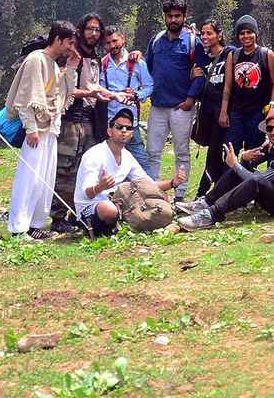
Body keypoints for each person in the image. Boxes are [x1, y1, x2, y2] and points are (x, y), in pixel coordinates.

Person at [174, 106, 274, 230]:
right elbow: (251, 166)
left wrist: (235, 165)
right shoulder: (273, 145)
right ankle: (205, 203)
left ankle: (210, 215)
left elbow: (258, 182)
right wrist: (244, 158)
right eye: (270, 128)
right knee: (241, 168)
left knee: (251, 177)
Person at [5, 21, 80, 240]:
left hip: (50, 128)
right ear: (57, 39)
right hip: (37, 128)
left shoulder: (55, 64)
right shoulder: (36, 59)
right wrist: (31, 128)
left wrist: (73, 67)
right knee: (29, 178)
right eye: (69, 43)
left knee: (44, 179)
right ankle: (19, 227)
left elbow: (65, 94)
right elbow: (28, 97)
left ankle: (35, 224)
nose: (70, 48)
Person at [74, 108, 186, 237]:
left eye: (128, 128)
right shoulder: (94, 154)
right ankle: (86, 223)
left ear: (132, 134)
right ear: (109, 131)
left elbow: (148, 186)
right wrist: (100, 187)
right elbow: (86, 194)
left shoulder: (127, 156)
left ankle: (120, 223)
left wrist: (173, 183)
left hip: (117, 203)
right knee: (109, 210)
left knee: (159, 201)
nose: (124, 131)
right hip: (91, 206)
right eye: (119, 127)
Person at [51, 13, 112, 234]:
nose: (94, 33)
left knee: (86, 170)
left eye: (97, 30)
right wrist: (92, 94)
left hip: (90, 121)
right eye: (90, 29)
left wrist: (112, 96)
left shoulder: (95, 57)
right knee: (65, 169)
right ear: (81, 30)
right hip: (70, 119)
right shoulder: (71, 55)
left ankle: (77, 214)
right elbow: (65, 89)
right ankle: (57, 216)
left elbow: (94, 87)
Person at [145, 0, 204, 199]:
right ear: (164, 17)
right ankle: (153, 191)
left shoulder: (192, 41)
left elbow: (200, 74)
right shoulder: (156, 41)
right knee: (152, 151)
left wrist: (190, 99)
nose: (173, 19)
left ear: (184, 17)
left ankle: (179, 194)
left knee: (181, 152)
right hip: (158, 105)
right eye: (169, 15)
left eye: (177, 15)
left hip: (181, 107)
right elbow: (148, 69)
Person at [218, 14, 274, 156]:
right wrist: (224, 111)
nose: (246, 36)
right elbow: (228, 86)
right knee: (229, 149)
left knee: (254, 152)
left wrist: (272, 103)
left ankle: (249, 178)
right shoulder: (234, 55)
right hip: (236, 111)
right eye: (242, 33)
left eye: (249, 32)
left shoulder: (266, 54)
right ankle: (230, 177)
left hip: (258, 112)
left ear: (255, 33)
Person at [100, 25, 153, 169]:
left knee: (141, 162)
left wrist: (137, 95)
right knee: (110, 163)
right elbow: (99, 90)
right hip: (110, 123)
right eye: (108, 43)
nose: (112, 45)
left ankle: (151, 190)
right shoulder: (103, 64)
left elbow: (150, 86)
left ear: (123, 39)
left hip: (131, 123)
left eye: (115, 41)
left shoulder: (137, 63)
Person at [193, 19, 232, 198]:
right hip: (206, 113)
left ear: (219, 34)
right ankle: (220, 192)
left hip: (222, 112)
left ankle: (202, 194)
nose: (205, 37)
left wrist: (224, 110)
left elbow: (228, 86)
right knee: (216, 154)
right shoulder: (202, 58)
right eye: (203, 33)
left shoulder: (229, 53)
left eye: (209, 33)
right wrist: (191, 74)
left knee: (215, 152)